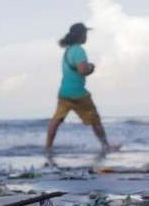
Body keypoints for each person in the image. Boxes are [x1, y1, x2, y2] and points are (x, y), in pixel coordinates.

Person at [45, 23, 120, 158]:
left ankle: (48, 148)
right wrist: (91, 67)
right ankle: (106, 146)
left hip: (64, 93)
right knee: (95, 119)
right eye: (85, 34)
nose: (87, 36)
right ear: (80, 35)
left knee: (56, 120)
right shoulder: (79, 50)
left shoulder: (67, 51)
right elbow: (82, 70)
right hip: (78, 94)